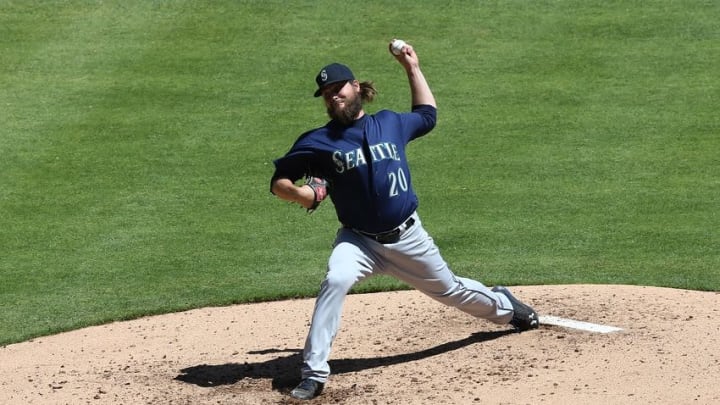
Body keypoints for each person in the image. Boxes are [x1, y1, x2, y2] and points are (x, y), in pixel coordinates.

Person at [270, 40, 539, 401]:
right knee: (336, 278)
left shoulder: (390, 123)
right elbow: (278, 182)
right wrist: (301, 194)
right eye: (326, 93)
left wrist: (411, 68)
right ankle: (314, 374)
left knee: (453, 291)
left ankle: (507, 308)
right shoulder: (316, 142)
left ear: (356, 89)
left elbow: (427, 115)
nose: (333, 97)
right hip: (359, 241)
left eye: (338, 89)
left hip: (408, 238)